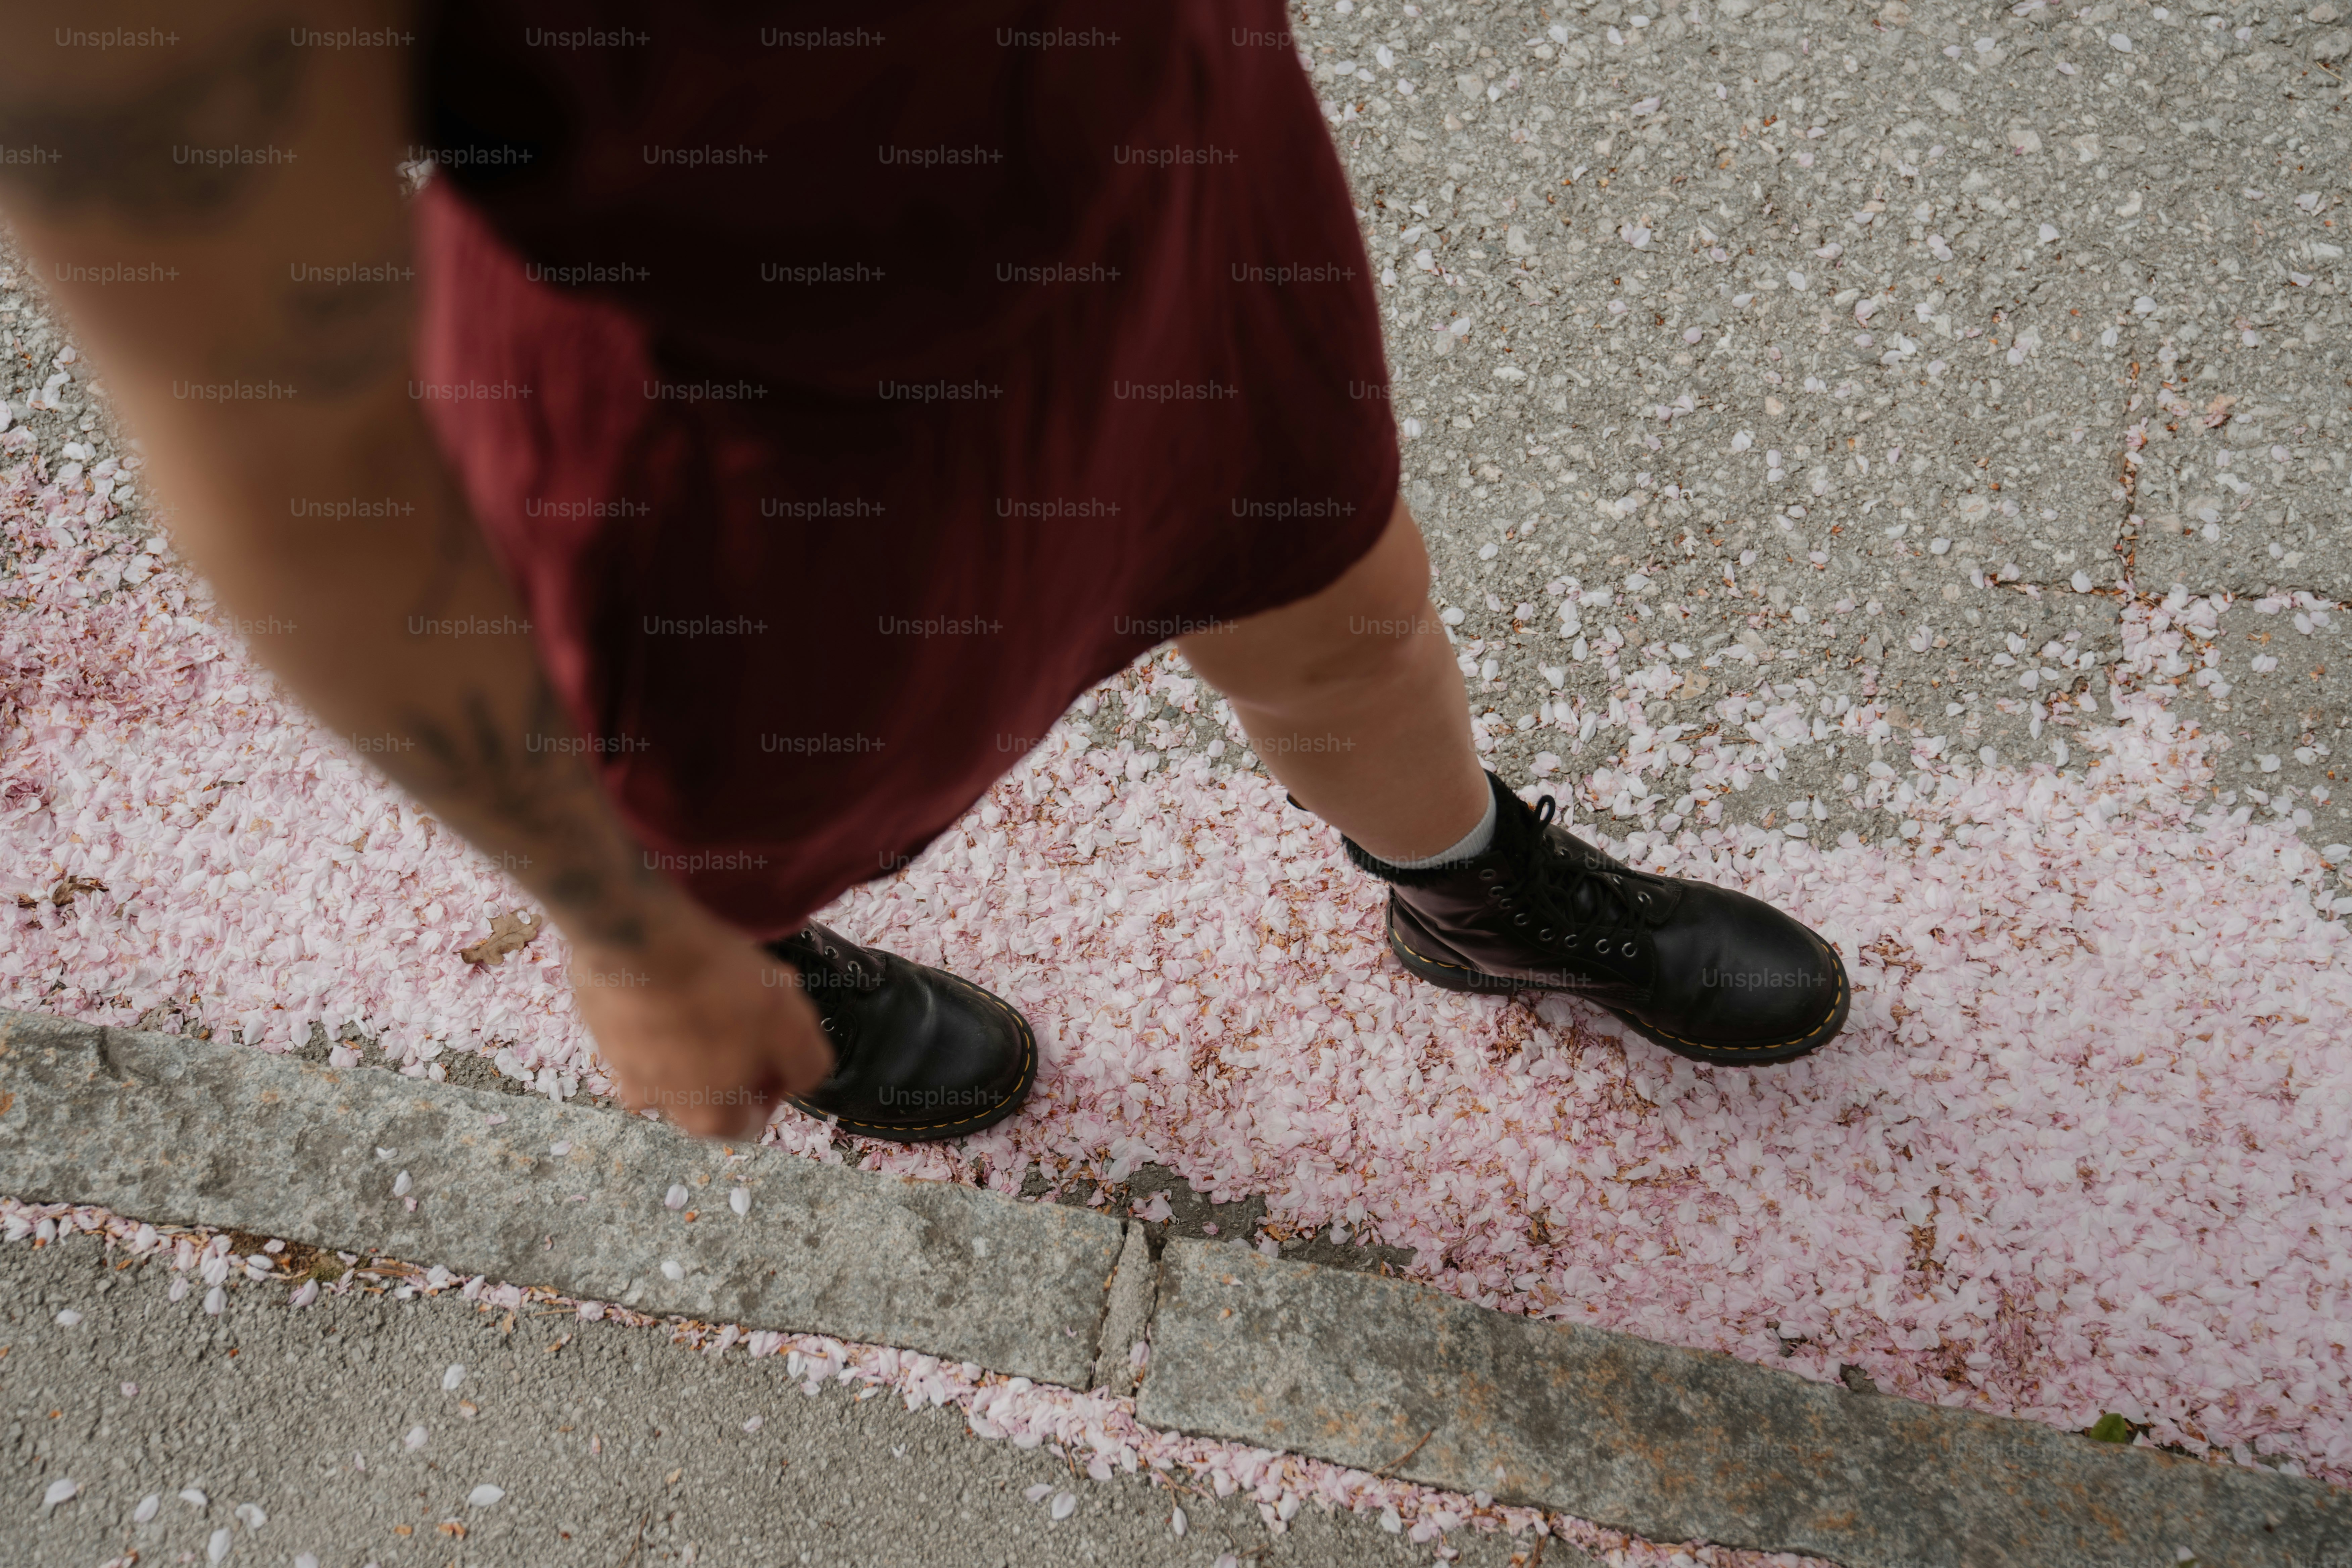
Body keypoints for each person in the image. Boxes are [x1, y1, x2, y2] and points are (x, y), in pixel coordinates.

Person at [0, 0, 1845, 1144]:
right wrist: (626, 930)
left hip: (1171, 157)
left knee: (1342, 608)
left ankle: (1470, 897)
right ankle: (762, 955)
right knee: (738, 823)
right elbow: (277, 433)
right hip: (757, 415)